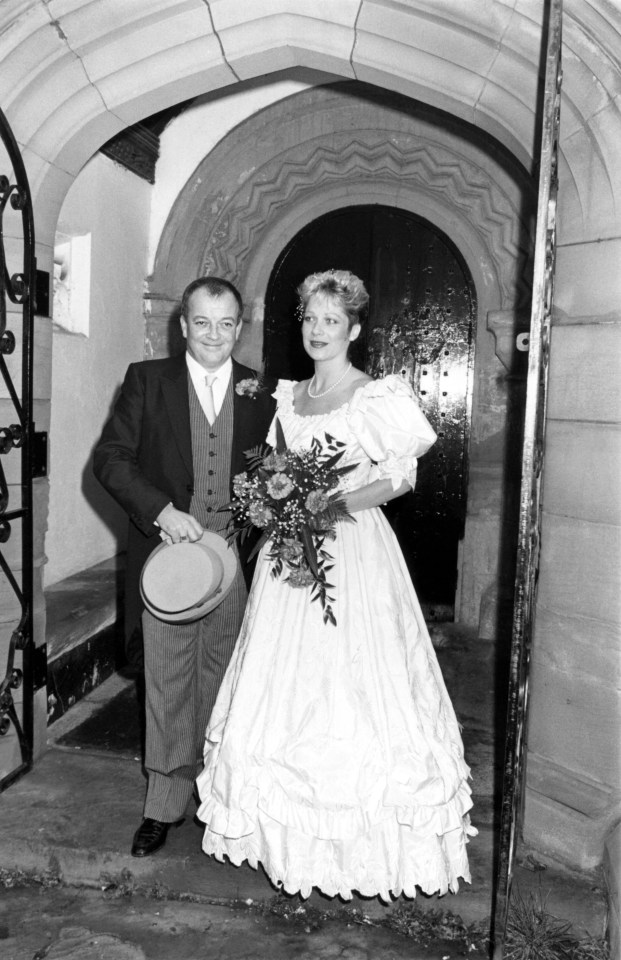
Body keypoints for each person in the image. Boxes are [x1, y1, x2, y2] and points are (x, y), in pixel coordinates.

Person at [196, 269, 476, 901]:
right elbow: (274, 469)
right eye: (310, 319)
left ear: (353, 330)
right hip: (290, 555)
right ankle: (279, 838)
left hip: (350, 551)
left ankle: (364, 847)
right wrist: (280, 505)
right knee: (284, 683)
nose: (319, 331)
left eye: (332, 321)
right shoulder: (287, 397)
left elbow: (399, 476)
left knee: (355, 680)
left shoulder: (373, 395)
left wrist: (333, 506)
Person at [93, 276, 276, 858]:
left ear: (240, 328)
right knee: (169, 680)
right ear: (183, 325)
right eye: (202, 323)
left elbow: (282, 471)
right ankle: (163, 806)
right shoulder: (148, 381)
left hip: (237, 561)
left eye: (226, 324)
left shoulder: (264, 391)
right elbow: (111, 461)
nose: (214, 335)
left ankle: (222, 801)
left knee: (227, 681)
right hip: (169, 559)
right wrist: (162, 511)